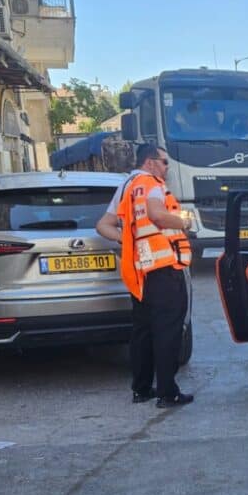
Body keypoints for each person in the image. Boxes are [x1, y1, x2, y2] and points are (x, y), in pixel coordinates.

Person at [96, 144, 194, 408]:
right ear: (150, 163)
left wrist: (126, 240)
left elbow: (103, 225)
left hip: (139, 272)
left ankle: (141, 389)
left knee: (142, 330)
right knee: (168, 330)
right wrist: (184, 222)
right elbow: (156, 215)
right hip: (165, 269)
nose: (167, 167)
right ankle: (167, 393)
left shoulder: (126, 186)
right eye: (164, 162)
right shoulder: (151, 183)